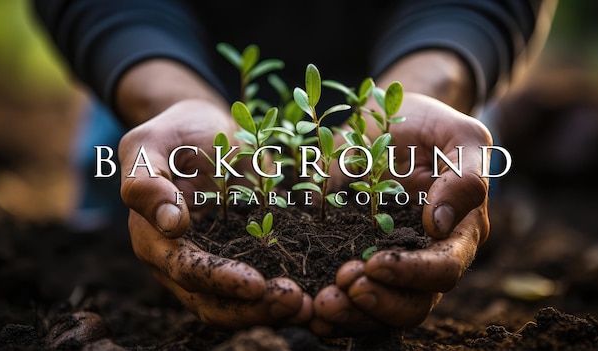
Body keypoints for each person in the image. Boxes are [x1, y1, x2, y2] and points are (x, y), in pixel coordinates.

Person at [33, 0, 555, 336]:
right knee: (122, 234)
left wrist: (432, 84)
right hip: (159, 82)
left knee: (447, 211)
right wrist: (158, 92)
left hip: (424, 99)